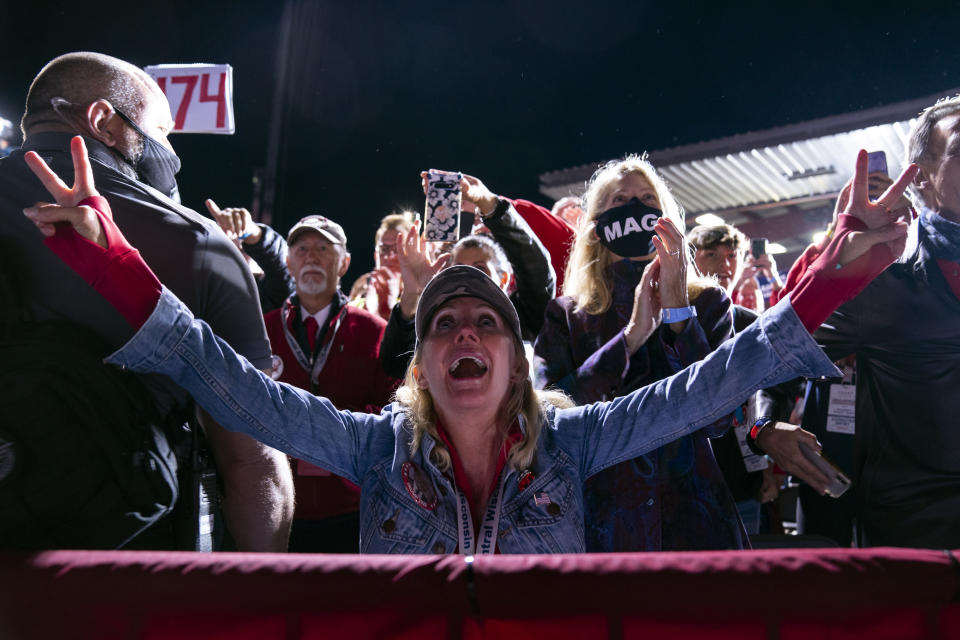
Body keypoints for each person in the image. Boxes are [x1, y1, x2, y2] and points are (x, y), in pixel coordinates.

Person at [23, 138, 914, 553]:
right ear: (420, 362)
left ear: (517, 358)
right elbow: (219, 376)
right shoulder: (371, 449)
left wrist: (846, 264)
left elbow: (725, 379)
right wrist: (114, 266)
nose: (463, 330)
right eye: (443, 321)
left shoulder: (579, 440)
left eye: (486, 319)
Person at [1, 53, 294, 551]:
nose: (168, 152)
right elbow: (252, 458)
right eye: (162, 132)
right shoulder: (197, 243)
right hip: (131, 570)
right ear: (103, 122)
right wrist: (261, 603)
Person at [763, 96, 960, 548]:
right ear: (922, 179)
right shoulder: (882, 279)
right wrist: (764, 428)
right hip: (922, 530)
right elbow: (768, 357)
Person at [534, 155, 752, 551]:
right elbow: (548, 418)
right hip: (605, 520)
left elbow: (723, 416)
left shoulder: (710, 303)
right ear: (596, 227)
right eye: (619, 201)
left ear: (667, 219)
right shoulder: (567, 314)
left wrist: (680, 315)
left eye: (647, 199)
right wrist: (630, 338)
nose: (635, 208)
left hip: (694, 518)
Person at [264, 214, 397, 551]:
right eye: (303, 248)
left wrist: (326, 431)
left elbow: (393, 413)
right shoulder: (262, 331)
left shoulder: (375, 331)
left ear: (345, 263)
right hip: (276, 504)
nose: (312, 256)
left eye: (324, 248)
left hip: (351, 508)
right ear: (288, 261)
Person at [378, 172, 555, 378]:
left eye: (479, 268)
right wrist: (414, 293)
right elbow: (395, 365)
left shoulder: (521, 319)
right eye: (458, 269)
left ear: (504, 278)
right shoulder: (438, 320)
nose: (467, 277)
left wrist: (490, 205)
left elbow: (536, 268)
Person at [204, 199, 295, 314]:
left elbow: (284, 269)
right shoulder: (200, 291)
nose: (235, 255)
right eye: (227, 249)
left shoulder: (268, 296)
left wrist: (251, 232)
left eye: (242, 250)